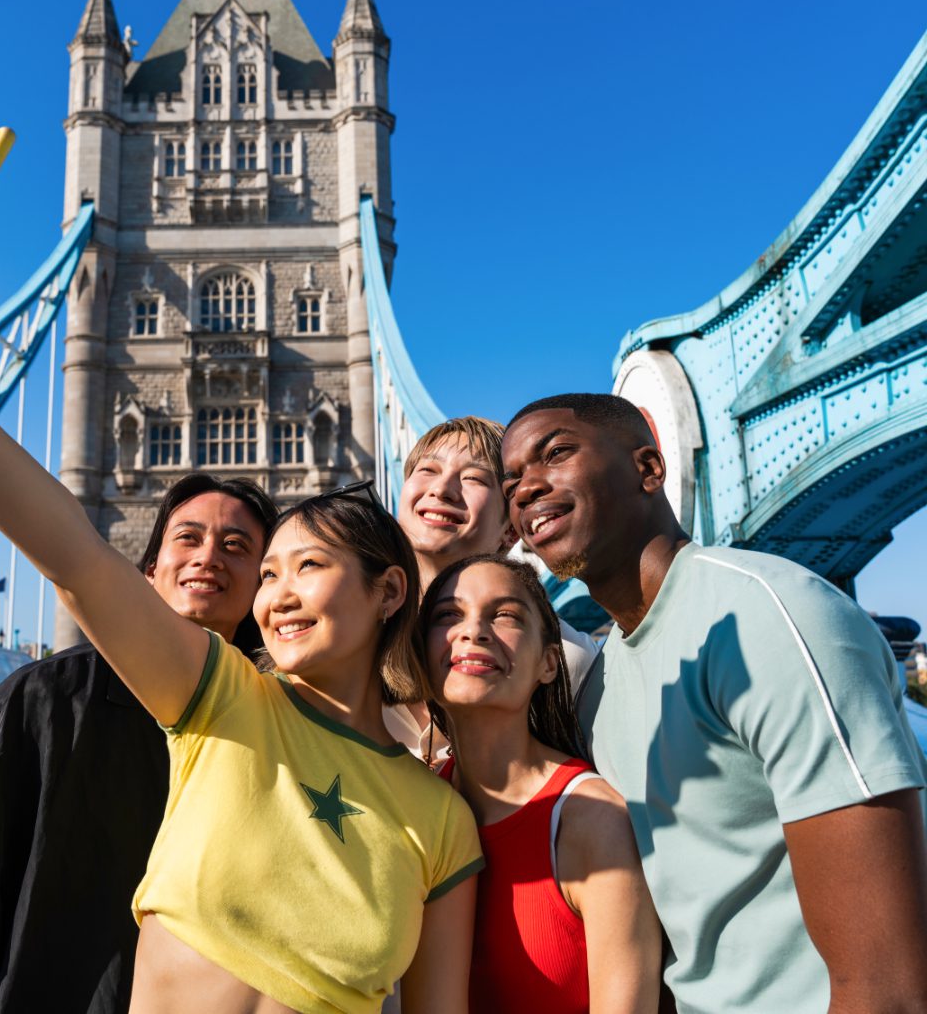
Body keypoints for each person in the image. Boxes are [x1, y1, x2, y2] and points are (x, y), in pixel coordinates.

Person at [0, 163, 482, 1013]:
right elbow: (72, 552)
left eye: (299, 565)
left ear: (391, 590)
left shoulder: (440, 818)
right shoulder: (220, 700)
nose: (272, 592)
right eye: (268, 573)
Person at [501, 392, 927, 1012]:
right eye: (511, 480)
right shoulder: (597, 686)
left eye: (556, 453)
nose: (526, 489)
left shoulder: (768, 618)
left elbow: (885, 986)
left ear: (649, 468)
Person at [0, 473, 277, 1014]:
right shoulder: (38, 700)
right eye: (188, 538)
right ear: (149, 572)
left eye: (236, 546)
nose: (208, 557)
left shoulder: (285, 724)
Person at [422, 554, 661, 1012]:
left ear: (549, 663)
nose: (473, 631)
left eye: (505, 615)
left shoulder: (593, 821)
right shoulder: (415, 802)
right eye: (449, 615)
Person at [385, 416, 598, 764]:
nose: (441, 489)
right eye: (427, 470)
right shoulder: (350, 632)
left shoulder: (566, 658)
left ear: (510, 533)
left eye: (473, 478)